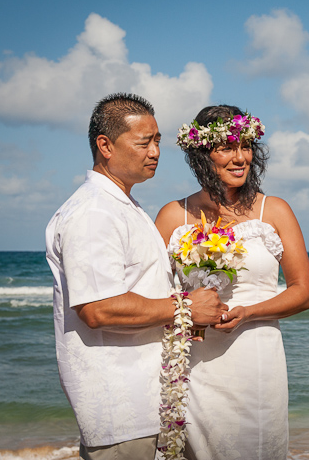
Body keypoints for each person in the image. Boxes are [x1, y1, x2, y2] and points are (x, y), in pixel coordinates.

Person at [46, 93, 228, 460]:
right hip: (120, 410)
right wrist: (187, 307)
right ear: (105, 146)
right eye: (144, 142)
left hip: (146, 403)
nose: (155, 151)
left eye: (158, 140)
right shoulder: (94, 212)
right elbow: (99, 309)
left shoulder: (124, 206)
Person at [155, 104, 309, 460]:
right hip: (195, 364)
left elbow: (304, 293)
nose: (240, 157)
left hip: (256, 362)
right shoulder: (172, 215)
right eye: (227, 146)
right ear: (202, 153)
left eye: (246, 146)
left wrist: (248, 313)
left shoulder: (273, 211)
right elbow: (153, 295)